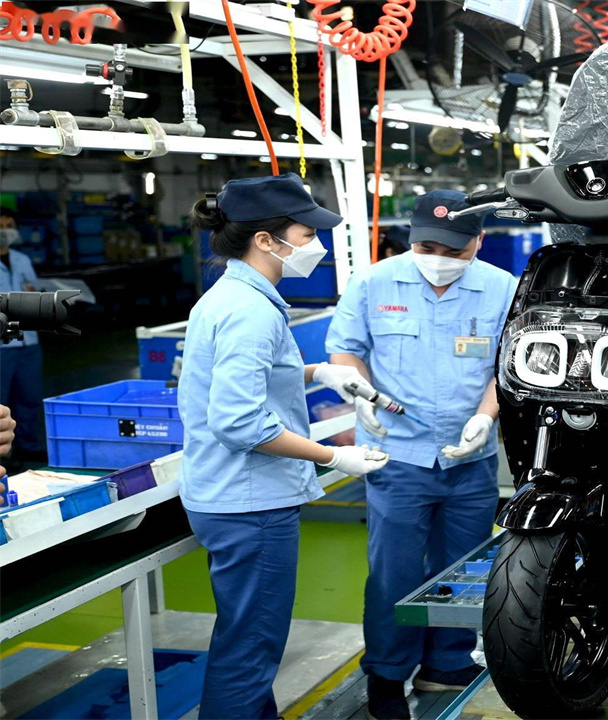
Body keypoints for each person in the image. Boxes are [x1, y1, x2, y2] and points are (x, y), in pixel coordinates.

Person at [180, 173, 391, 720]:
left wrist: (319, 372)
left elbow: (247, 381)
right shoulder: (249, 311)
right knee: (250, 650)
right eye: (306, 233)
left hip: (231, 495)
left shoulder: (231, 296)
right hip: (250, 504)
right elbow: (239, 421)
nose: (315, 245)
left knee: (249, 642)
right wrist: (334, 456)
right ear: (266, 241)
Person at [326, 190, 518, 720]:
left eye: (454, 251)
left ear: (479, 241)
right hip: (396, 456)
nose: (439, 260)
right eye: (427, 247)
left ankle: (447, 662)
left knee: (464, 567)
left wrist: (487, 416)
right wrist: (359, 393)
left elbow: (507, 368)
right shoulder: (373, 283)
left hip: (470, 458)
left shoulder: (502, 289)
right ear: (410, 238)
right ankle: (388, 674)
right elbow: (346, 351)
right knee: (395, 574)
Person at [0, 210, 45, 471]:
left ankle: (28, 445)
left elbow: (33, 289)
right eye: (1, 226)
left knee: (29, 397)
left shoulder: (22, 259)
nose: (6, 230)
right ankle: (3, 453)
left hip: (28, 341)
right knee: (0, 401)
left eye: (10, 225)